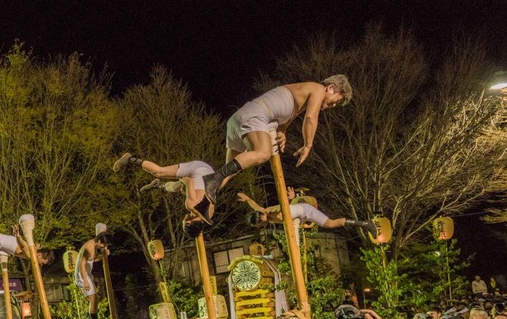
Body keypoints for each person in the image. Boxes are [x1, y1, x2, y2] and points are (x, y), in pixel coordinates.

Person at [201, 77, 353, 204]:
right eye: (336, 101)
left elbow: (286, 116)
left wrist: (282, 130)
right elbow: (311, 118)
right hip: (255, 115)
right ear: (331, 87)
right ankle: (212, 178)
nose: (333, 106)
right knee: (263, 153)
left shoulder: (300, 97)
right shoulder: (318, 89)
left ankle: (197, 192)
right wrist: (308, 145)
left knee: (225, 176)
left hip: (240, 118)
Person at [113, 156, 216, 223]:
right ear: (188, 223)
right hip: (198, 169)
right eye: (184, 224)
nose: (183, 221)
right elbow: (188, 180)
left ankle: (159, 185)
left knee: (178, 187)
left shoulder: (208, 215)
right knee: (159, 172)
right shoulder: (191, 205)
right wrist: (178, 176)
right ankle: (130, 159)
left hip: (209, 173)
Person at [237, 191, 377, 236]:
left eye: (260, 224)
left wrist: (248, 199)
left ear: (260, 217)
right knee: (330, 224)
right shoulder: (270, 219)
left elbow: (257, 207)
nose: (262, 225)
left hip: (304, 208)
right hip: (301, 215)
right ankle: (365, 224)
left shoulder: (267, 212)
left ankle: (366, 224)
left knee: (330, 224)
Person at [73, 233, 111, 319]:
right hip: (82, 275)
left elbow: (93, 259)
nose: (104, 246)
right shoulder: (89, 247)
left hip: (87, 274)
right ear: (99, 241)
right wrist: (85, 280)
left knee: (96, 299)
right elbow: (82, 263)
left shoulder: (93, 247)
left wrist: (103, 256)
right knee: (93, 299)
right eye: (104, 244)